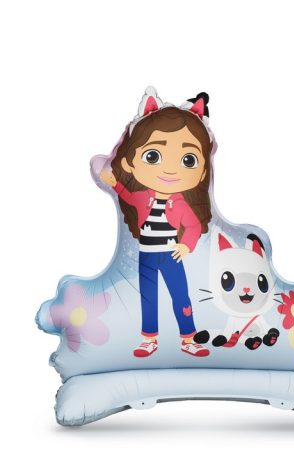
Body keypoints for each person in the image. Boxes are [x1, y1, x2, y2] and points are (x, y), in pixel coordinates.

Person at [100, 87, 213, 358]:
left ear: (202, 172)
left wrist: (186, 245)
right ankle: (149, 338)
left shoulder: (181, 204)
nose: (171, 170)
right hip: (147, 254)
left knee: (180, 295)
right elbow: (128, 196)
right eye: (153, 156)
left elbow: (194, 226)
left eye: (188, 160)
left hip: (171, 255)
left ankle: (188, 337)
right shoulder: (142, 197)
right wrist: (115, 183)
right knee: (148, 297)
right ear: (131, 163)